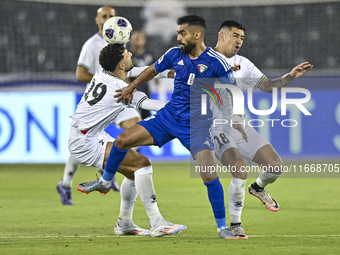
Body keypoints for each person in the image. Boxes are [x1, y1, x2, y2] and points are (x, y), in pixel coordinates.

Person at [77, 14, 240, 239]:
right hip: (168, 117)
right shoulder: (175, 53)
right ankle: (106, 181)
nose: (178, 37)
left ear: (197, 34)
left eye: (182, 33)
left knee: (209, 174)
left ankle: (223, 228)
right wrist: (130, 87)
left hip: (196, 126)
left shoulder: (217, 62)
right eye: (178, 32)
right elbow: (151, 69)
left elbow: (231, 92)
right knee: (123, 140)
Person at [210, 20, 313, 238]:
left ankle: (257, 188)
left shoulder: (242, 63)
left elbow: (268, 86)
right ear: (222, 36)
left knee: (275, 167)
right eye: (236, 36)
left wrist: (291, 75)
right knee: (239, 170)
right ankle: (235, 225)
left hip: (241, 127)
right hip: (216, 129)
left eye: (242, 38)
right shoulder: (202, 60)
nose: (239, 41)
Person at [72, 43, 185, 237]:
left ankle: (124, 223)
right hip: (86, 142)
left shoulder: (103, 72)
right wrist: (183, 106)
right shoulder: (120, 89)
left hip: (87, 135)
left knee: (134, 173)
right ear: (121, 66)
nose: (131, 53)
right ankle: (157, 222)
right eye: (126, 54)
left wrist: (166, 73)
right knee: (142, 164)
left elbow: (140, 70)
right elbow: (149, 103)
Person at [57, 6, 142, 205]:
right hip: (102, 100)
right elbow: (80, 74)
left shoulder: (120, 45)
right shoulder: (92, 44)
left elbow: (127, 69)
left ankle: (111, 167)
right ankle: (67, 182)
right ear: (97, 21)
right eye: (104, 16)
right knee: (85, 138)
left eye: (112, 16)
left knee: (136, 130)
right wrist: (104, 80)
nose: (108, 20)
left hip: (119, 94)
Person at [128, 31, 154, 119]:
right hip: (131, 93)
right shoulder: (127, 56)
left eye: (139, 38)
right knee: (132, 120)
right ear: (130, 40)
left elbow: (156, 74)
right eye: (135, 38)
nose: (137, 40)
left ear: (144, 40)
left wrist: (161, 91)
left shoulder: (149, 55)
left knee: (146, 119)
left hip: (146, 92)